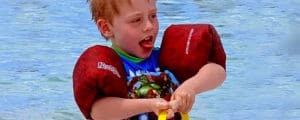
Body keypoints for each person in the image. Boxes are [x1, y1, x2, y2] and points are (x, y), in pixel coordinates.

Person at [73, 0, 226, 120]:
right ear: (106, 28)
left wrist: (189, 88)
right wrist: (149, 105)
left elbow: (217, 71)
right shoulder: (110, 67)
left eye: (153, 16)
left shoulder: (165, 60)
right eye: (136, 20)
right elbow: (98, 112)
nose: (149, 26)